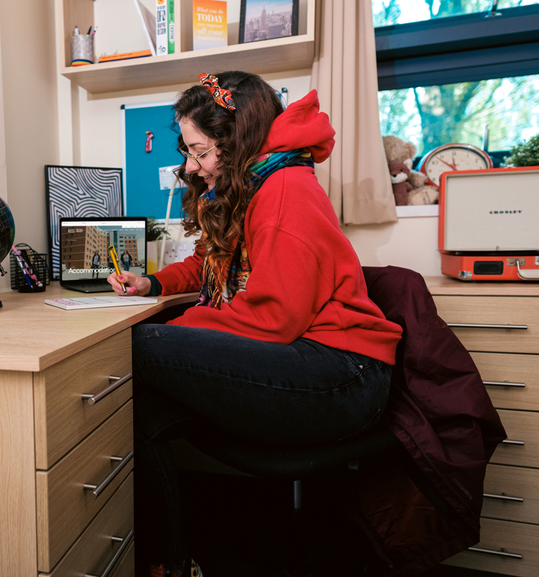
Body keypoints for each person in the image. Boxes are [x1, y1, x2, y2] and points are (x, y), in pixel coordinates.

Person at [107, 72, 403, 577]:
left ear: (234, 139)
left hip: (342, 376)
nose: (191, 166)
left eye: (199, 152)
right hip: (310, 358)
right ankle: (171, 563)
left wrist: (180, 330)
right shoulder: (255, 182)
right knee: (146, 409)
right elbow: (211, 261)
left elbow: (272, 320)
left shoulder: (286, 189)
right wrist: (153, 285)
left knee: (142, 346)